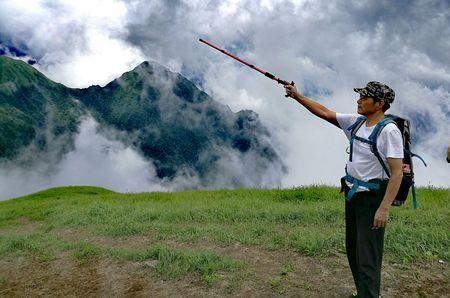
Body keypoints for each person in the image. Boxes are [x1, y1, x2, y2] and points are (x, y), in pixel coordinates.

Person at [284, 81, 403, 297]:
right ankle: (363, 293)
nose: (358, 100)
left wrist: (384, 208)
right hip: (352, 195)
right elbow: (325, 113)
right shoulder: (357, 123)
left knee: (368, 256)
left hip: (372, 198)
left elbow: (397, 172)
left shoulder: (389, 131)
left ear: (379, 104)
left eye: (365, 97)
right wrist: (297, 96)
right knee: (354, 250)